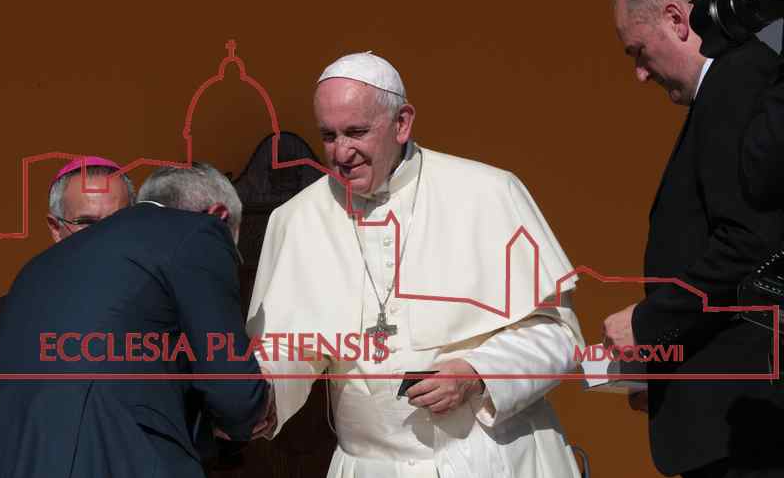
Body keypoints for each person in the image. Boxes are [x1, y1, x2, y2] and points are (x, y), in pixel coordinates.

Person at [246, 52, 584, 477]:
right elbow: (290, 348)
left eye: (356, 132)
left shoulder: (488, 193)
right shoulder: (297, 218)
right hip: (369, 467)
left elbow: (557, 335)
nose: (341, 152)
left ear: (402, 123)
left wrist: (477, 373)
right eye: (328, 136)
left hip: (492, 459)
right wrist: (263, 397)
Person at [605, 0, 784, 477]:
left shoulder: (737, 80)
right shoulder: (736, 82)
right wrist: (662, 374)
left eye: (639, 51)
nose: (640, 73)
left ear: (677, 20)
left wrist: (647, 324)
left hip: (748, 433)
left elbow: (749, 245)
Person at [0, 162, 269, 478]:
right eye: (87, 222)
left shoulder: (28, 276)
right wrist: (250, 415)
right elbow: (234, 393)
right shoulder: (198, 233)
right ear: (219, 216)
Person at [0, 156, 135, 345]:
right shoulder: (6, 317)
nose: (104, 236)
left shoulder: (162, 303)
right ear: (56, 229)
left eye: (117, 221)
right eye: (86, 223)